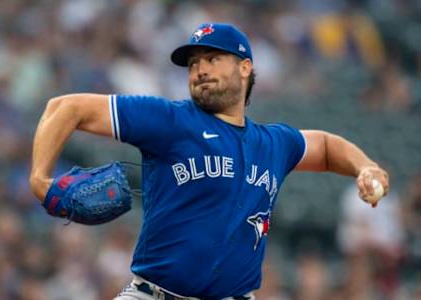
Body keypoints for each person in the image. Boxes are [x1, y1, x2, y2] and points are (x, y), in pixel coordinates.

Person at [29, 23, 389, 300]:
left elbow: (325, 147)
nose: (200, 69)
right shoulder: (170, 120)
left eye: (213, 59)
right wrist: (40, 179)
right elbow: (65, 108)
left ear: (245, 67)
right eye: (194, 64)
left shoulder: (274, 143)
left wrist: (365, 166)